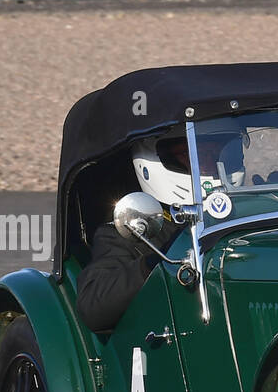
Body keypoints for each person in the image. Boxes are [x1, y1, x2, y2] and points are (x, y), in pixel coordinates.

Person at [76, 137, 194, 333]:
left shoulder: (250, 214)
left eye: (219, 152)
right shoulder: (129, 230)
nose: (208, 164)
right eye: (186, 155)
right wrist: (153, 264)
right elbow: (93, 306)